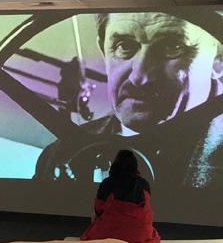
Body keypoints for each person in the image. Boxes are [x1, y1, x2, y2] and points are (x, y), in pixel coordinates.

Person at [35, 11, 223, 189]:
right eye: (124, 46)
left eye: (173, 47)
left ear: (218, 61)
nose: (140, 77)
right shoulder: (56, 156)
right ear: (104, 51)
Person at [81, 149, 161, 243]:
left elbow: (98, 209)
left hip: (110, 232)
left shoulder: (107, 183)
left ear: (115, 164)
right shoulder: (144, 184)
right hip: (140, 234)